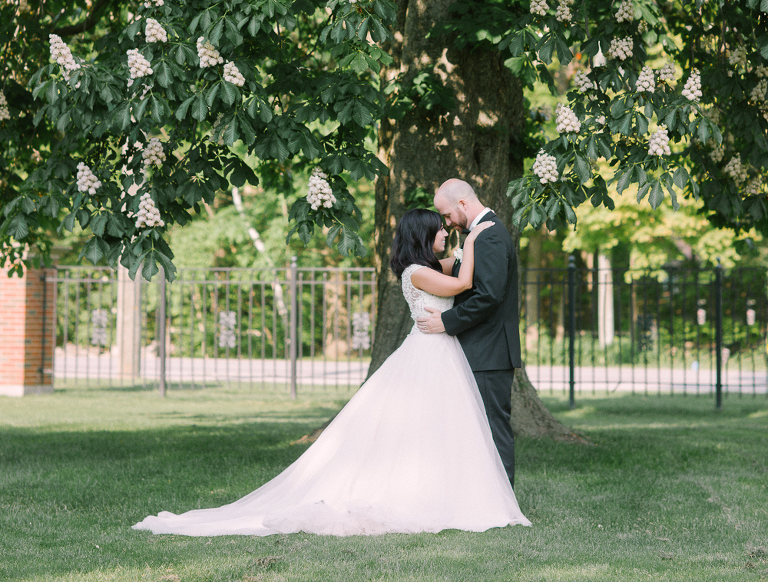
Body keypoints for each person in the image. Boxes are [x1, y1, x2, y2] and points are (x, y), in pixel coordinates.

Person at [133, 207, 530, 537]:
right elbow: (463, 281)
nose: (447, 233)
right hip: (430, 352)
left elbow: (461, 268)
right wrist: (475, 240)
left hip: (443, 353)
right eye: (441, 230)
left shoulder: (427, 265)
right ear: (425, 235)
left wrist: (469, 246)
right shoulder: (417, 272)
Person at [417, 179, 521, 490]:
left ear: (463, 205)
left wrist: (446, 322)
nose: (446, 223)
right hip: (480, 349)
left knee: (492, 428)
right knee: (475, 428)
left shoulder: (488, 236)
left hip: (488, 351)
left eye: (447, 215)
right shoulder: (478, 234)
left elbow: (488, 297)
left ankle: (503, 501)